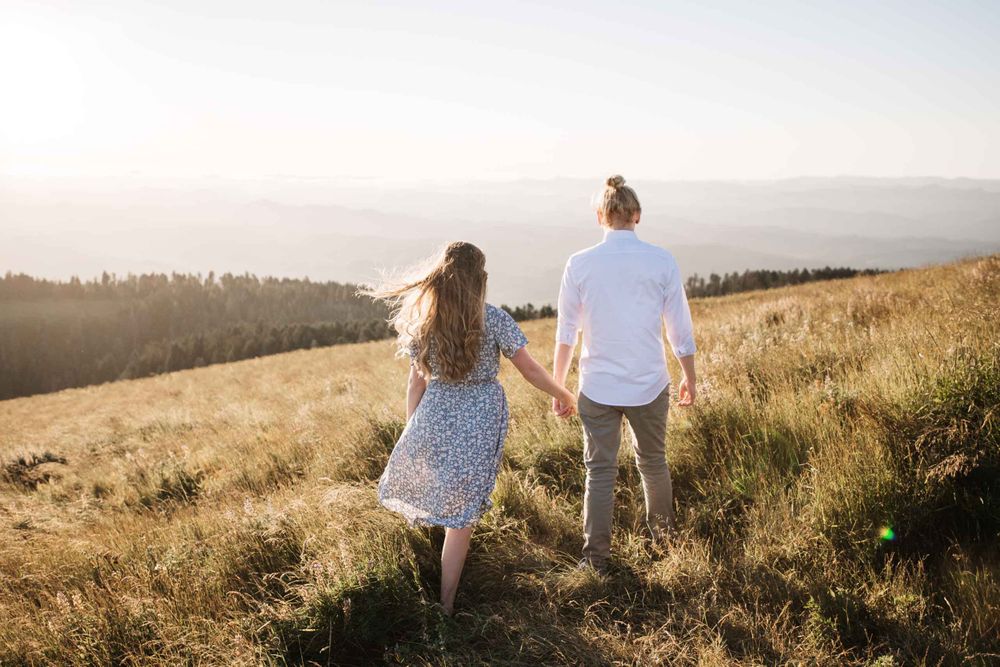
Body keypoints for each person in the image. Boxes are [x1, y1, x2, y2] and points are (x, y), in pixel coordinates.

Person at [365, 241, 577, 614]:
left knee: (442, 493)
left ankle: (433, 578)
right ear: (480, 280)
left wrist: (412, 427)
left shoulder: (427, 323)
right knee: (462, 515)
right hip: (480, 416)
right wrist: (565, 394)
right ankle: (446, 605)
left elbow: (416, 383)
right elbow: (529, 369)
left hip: (435, 412)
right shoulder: (493, 318)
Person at [551, 175, 697, 574]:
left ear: (600, 216)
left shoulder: (579, 264)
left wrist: (558, 387)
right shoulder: (661, 260)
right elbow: (679, 329)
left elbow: (567, 332)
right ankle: (665, 548)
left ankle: (595, 559)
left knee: (599, 472)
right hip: (650, 383)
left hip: (597, 387)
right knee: (653, 463)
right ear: (637, 215)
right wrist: (690, 376)